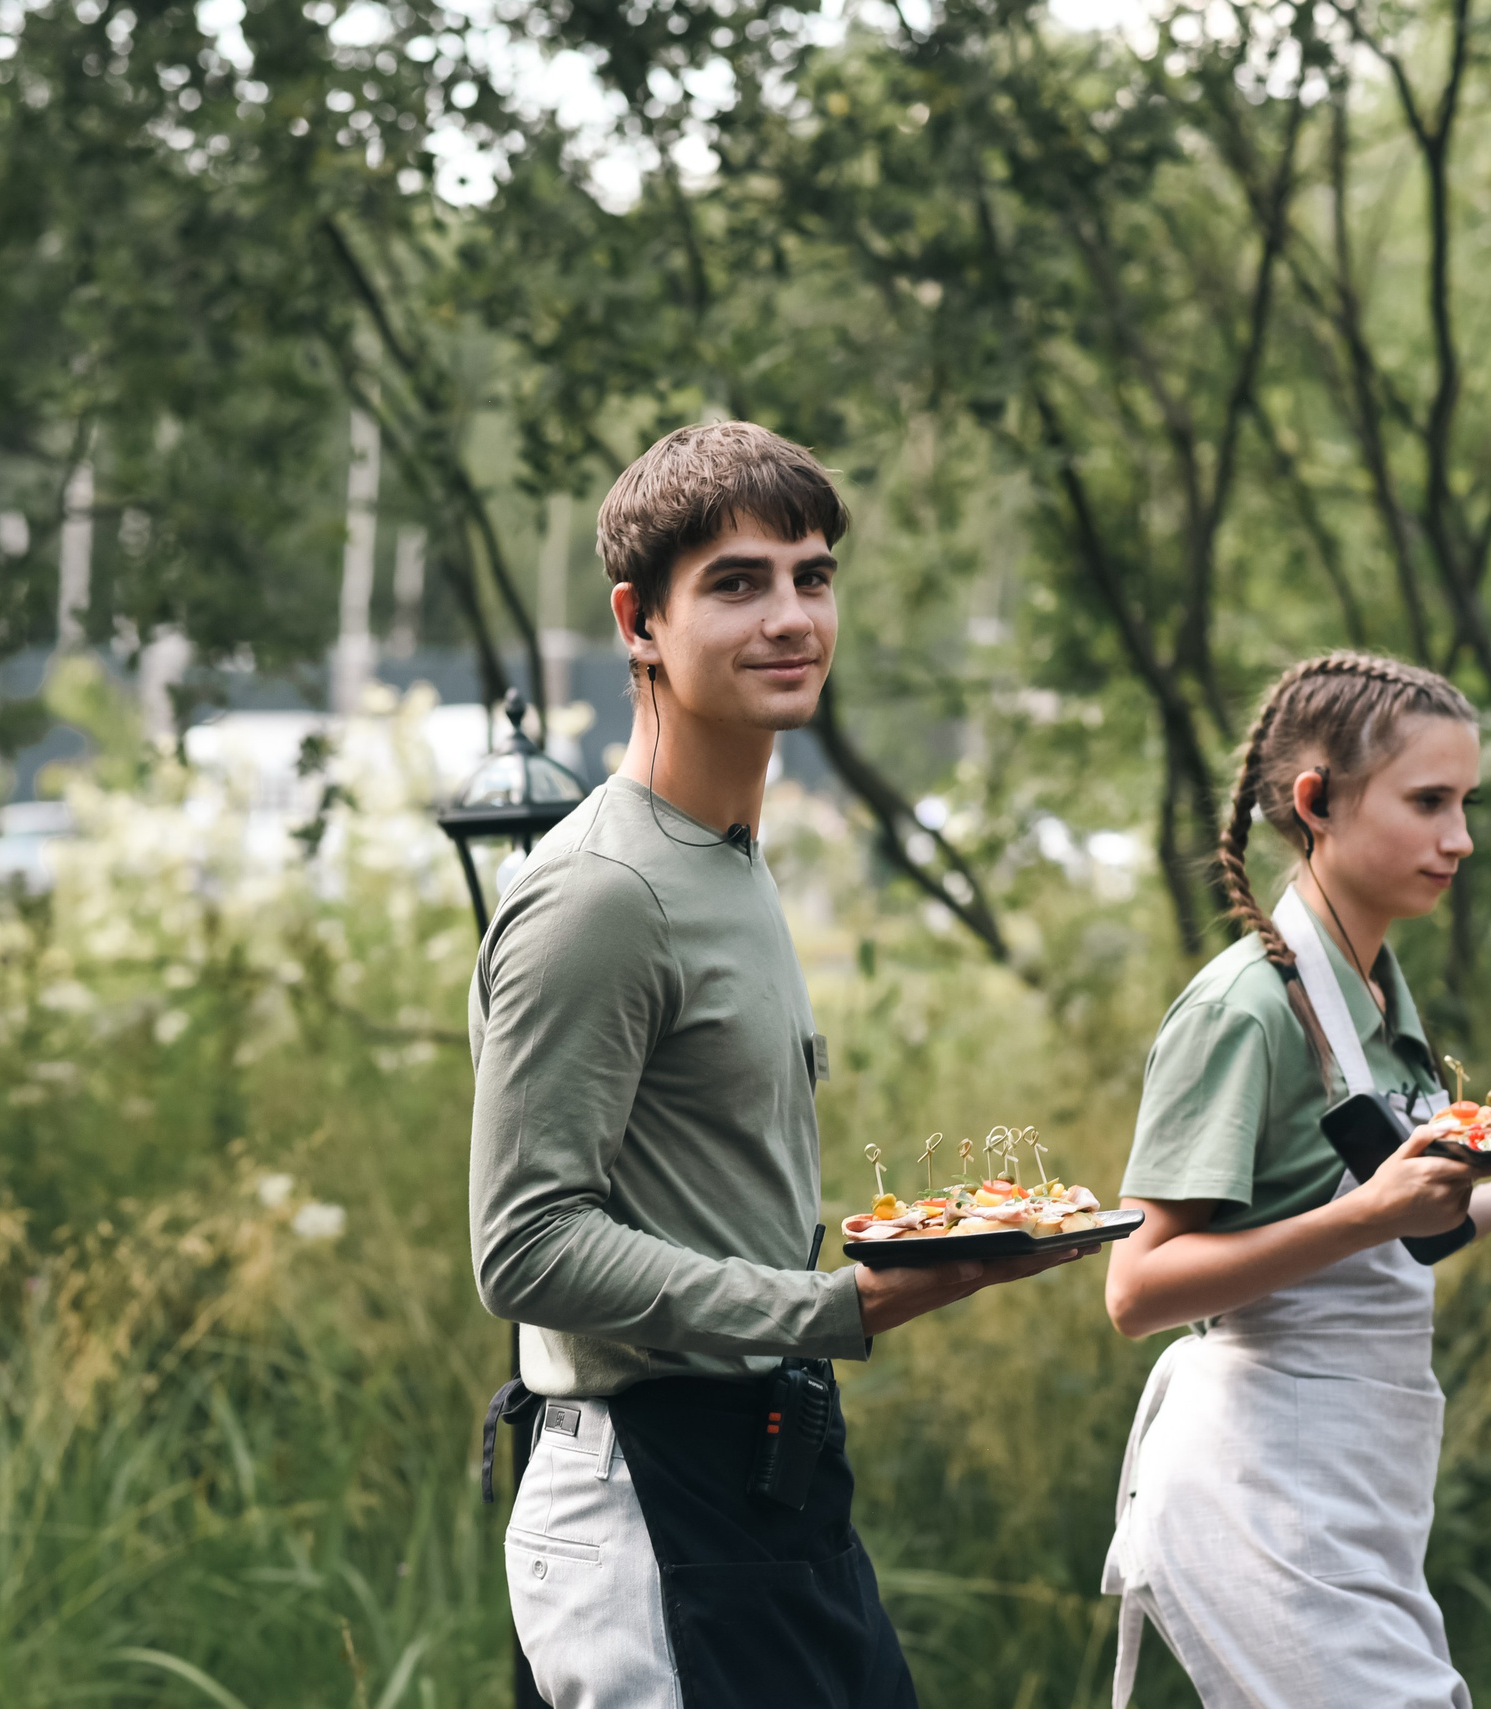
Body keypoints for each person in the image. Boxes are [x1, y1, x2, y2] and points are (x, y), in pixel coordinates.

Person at [469, 421, 1098, 1709]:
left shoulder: (728, 856)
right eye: (738, 582)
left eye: (811, 576)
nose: (792, 615)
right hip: (650, 1495)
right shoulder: (601, 892)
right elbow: (524, 1245)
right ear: (638, 620)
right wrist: (837, 1308)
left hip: (772, 1469)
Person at [1096, 652, 1491, 1709]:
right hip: (1252, 1481)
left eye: (1465, 802)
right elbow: (1137, 1289)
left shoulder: (1375, 998)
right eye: (1428, 802)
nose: (1459, 837)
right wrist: (1368, 1207)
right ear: (1316, 802)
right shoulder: (1241, 1010)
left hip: (1351, 1486)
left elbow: (1390, 1235)